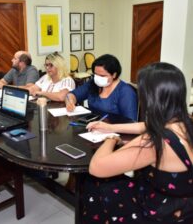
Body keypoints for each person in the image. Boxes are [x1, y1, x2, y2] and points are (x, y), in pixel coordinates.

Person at [83, 62, 193, 223]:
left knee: (94, 184)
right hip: (182, 204)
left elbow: (96, 167)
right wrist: (110, 126)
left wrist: (111, 138)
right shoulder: (185, 123)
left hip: (160, 212)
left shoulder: (155, 142)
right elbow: (146, 125)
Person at [65, 54, 138, 121]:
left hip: (115, 132)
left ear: (114, 75)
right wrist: (70, 101)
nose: (98, 78)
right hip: (92, 127)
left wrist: (108, 127)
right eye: (96, 74)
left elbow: (131, 122)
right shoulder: (93, 83)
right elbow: (72, 94)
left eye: (102, 76)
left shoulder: (126, 92)